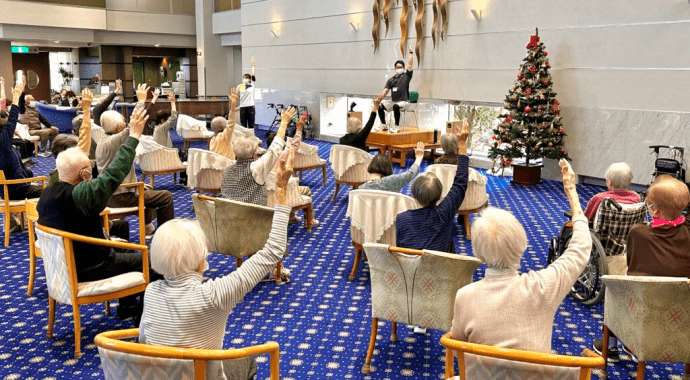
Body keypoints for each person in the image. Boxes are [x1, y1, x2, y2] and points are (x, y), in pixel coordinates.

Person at [139, 146, 294, 380]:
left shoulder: (150, 291)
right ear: (201, 259)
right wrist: (281, 191)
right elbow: (273, 250)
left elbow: (144, 341)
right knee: (245, 361)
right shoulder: (214, 294)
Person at [450, 160, 592, 378]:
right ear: (523, 246)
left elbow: (457, 343)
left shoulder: (464, 296)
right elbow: (580, 248)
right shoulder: (543, 286)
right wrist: (572, 194)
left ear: (479, 255)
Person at [37, 107, 159, 320]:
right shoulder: (80, 193)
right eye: (89, 169)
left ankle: (128, 304)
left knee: (122, 233)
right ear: (85, 174)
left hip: (66, 265)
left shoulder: (46, 193)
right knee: (154, 261)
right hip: (91, 265)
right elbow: (112, 176)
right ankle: (144, 320)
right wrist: (134, 137)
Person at [592, 175, 690, 368]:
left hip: (644, 313)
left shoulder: (639, 234)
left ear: (655, 210)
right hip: (682, 314)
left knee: (615, 287)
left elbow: (634, 268)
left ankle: (612, 346)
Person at [97, 84, 175, 237]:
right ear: (119, 127)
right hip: (119, 197)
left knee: (147, 191)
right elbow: (136, 123)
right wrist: (141, 101)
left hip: (110, 193)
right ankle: (166, 236)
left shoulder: (103, 141)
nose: (126, 124)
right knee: (166, 196)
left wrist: (137, 184)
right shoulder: (115, 141)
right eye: (123, 123)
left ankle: (148, 228)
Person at [395, 122, 469, 253]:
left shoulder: (401, 219)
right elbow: (460, 184)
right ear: (440, 196)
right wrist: (462, 146)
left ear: (413, 195)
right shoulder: (444, 213)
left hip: (411, 271)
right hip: (441, 270)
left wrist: (418, 157)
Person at [220, 106, 295, 205]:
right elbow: (275, 148)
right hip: (254, 217)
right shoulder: (256, 168)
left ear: (235, 153)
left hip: (229, 216)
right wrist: (284, 123)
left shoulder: (226, 170)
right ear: (254, 155)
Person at [1, 80, 43, 232]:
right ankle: (45, 226)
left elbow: (4, 111)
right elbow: (12, 118)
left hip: (6, 189)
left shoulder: (5, 144)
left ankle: (16, 221)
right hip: (15, 190)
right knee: (49, 193)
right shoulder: (3, 142)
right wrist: (16, 96)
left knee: (31, 177)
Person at [376, 44, 414, 132]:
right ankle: (383, 125)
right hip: (394, 101)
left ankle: (396, 127)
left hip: (404, 102)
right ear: (395, 68)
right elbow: (385, 91)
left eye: (401, 67)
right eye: (398, 67)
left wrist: (410, 52)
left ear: (403, 68)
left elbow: (410, 64)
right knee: (380, 105)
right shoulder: (391, 80)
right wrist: (379, 99)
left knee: (396, 106)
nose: (399, 68)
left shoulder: (406, 76)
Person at [360, 141, 424, 192]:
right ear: (388, 169)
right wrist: (418, 158)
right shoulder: (391, 182)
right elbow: (410, 174)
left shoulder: (361, 189)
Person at [210, 90, 239, 160]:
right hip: (228, 166)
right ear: (224, 127)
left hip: (217, 166)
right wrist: (233, 105)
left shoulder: (212, 140)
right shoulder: (224, 137)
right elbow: (231, 121)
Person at [236, 56, 256, 129]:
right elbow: (237, 95)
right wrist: (240, 98)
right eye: (244, 78)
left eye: (247, 78)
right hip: (243, 107)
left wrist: (252, 65)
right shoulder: (240, 86)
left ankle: (252, 137)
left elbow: (253, 74)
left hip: (250, 106)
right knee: (243, 124)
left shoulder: (252, 85)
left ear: (249, 79)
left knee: (251, 124)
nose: (245, 79)